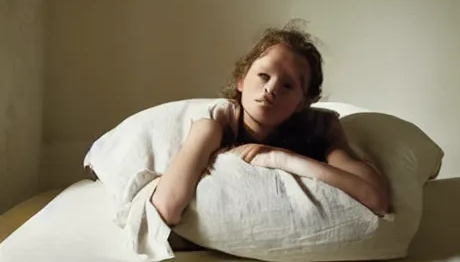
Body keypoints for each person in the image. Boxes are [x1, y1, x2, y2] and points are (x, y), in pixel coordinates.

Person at [151, 25, 390, 227]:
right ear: (241, 80)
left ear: (303, 101)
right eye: (264, 75)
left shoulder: (320, 128)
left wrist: (281, 159)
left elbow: (376, 198)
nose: (271, 89)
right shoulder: (214, 124)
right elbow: (166, 208)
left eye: (288, 85)